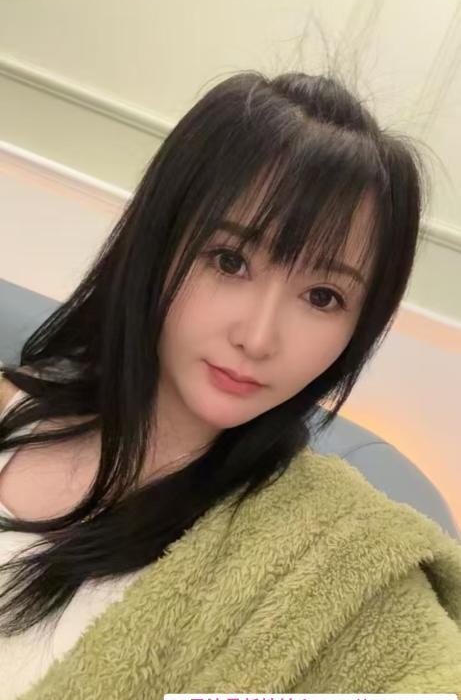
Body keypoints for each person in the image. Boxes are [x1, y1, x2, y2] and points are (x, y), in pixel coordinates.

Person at [0, 70, 460, 699]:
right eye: (230, 260)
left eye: (323, 296)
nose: (259, 337)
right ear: (158, 242)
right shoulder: (13, 407)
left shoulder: (330, 556)